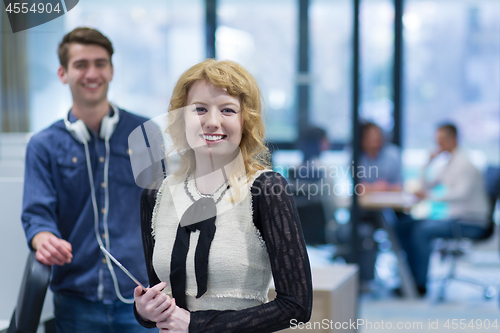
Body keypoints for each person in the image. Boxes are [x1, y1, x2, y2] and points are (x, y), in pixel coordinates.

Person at [133, 59, 313, 332]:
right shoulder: (156, 195)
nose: (212, 122)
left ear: (245, 121)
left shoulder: (265, 189)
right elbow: (159, 292)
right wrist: (145, 310)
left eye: (228, 110)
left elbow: (296, 307)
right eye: (200, 109)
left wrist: (197, 325)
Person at [21, 27, 150, 331]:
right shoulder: (43, 145)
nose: (92, 73)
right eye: (81, 64)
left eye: (100, 63)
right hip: (76, 300)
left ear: (112, 70)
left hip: (142, 299)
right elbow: (37, 216)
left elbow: (166, 211)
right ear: (63, 73)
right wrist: (45, 240)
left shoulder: (144, 135)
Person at [397, 123, 490, 296]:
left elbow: (459, 195)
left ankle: (419, 284)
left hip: (469, 221)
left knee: (422, 231)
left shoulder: (465, 164)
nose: (438, 146)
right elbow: (426, 185)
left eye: (442, 141)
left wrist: (428, 196)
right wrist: (428, 162)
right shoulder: (448, 163)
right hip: (453, 218)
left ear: (453, 139)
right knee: (404, 226)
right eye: (437, 141)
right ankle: (407, 279)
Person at [359, 122, 402, 192]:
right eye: (370, 135)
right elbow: (357, 188)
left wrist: (387, 187)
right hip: (364, 201)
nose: (375, 138)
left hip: (389, 201)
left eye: (377, 134)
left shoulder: (393, 155)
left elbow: (400, 187)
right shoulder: (357, 157)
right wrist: (375, 187)